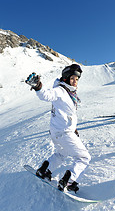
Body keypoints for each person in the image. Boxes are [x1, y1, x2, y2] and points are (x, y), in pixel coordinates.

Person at [25, 64, 91, 193]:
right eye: (72, 78)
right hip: (64, 133)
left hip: (58, 132)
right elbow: (46, 95)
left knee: (61, 154)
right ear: (66, 78)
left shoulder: (69, 93)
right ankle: (68, 182)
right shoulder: (60, 91)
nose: (75, 81)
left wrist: (74, 128)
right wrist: (38, 86)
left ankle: (44, 170)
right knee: (84, 158)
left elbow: (68, 114)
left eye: (77, 79)